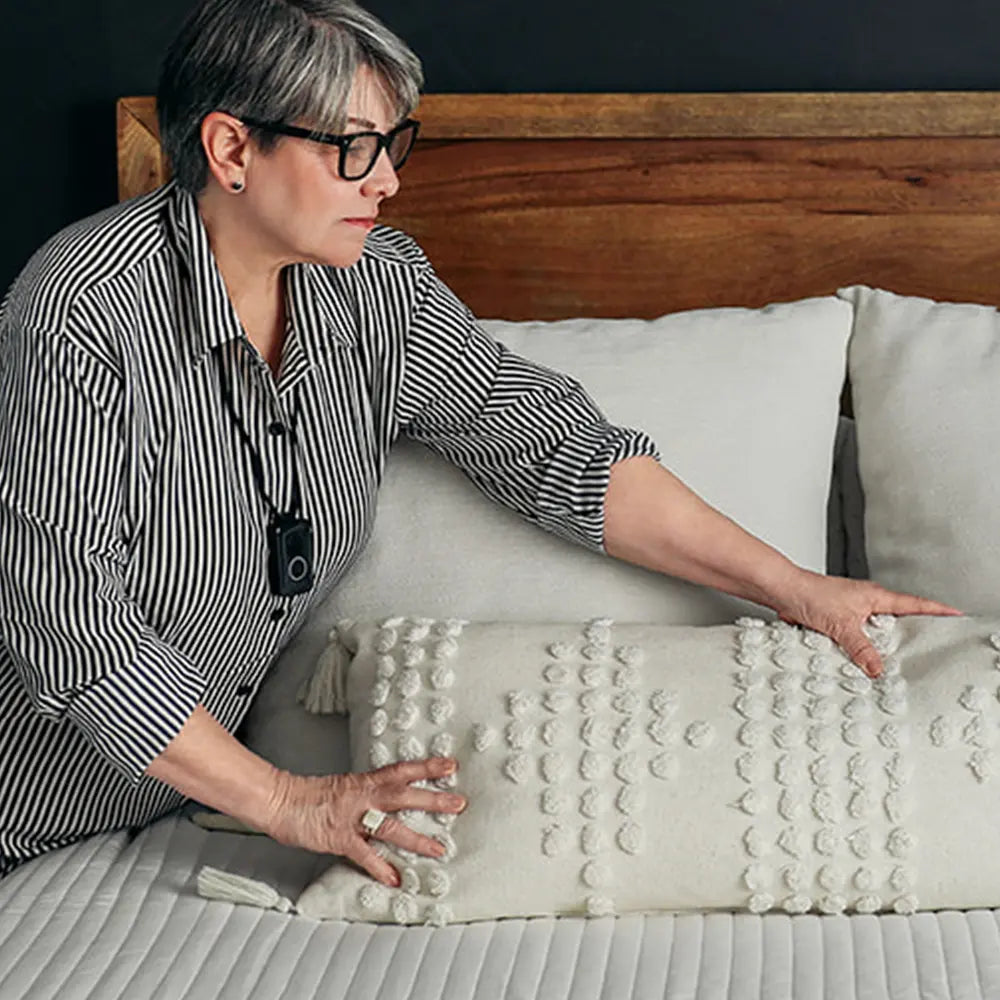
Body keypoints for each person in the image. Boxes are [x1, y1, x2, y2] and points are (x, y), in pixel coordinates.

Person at [0, 0, 958, 889]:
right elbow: (67, 625)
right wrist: (291, 800)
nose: (388, 178)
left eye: (391, 144)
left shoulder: (377, 286)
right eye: (354, 148)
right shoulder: (78, 312)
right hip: (21, 812)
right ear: (231, 148)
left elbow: (562, 454)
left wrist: (801, 590)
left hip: (165, 807)